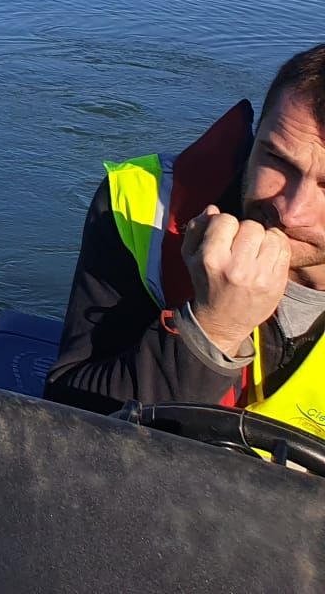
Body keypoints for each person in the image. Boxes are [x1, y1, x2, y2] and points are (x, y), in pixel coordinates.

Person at [45, 43, 325, 439]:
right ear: (257, 133)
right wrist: (213, 331)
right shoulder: (142, 208)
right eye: (276, 160)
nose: (291, 211)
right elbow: (67, 421)